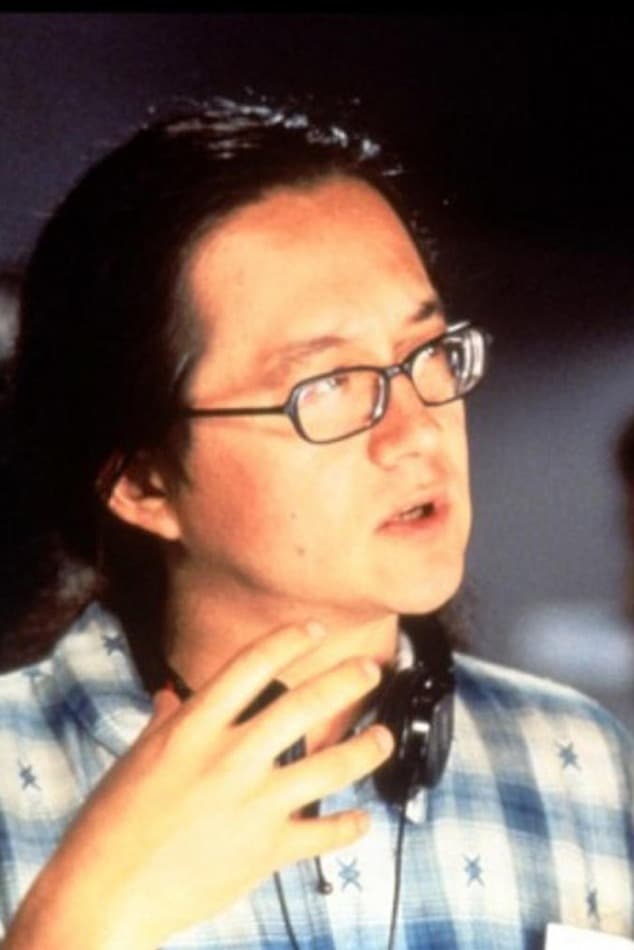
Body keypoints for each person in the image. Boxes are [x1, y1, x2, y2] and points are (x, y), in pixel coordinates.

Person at [0, 97, 631, 950]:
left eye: (427, 354)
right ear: (143, 481)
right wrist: (74, 927)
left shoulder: (584, 766)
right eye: (326, 385)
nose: (417, 432)